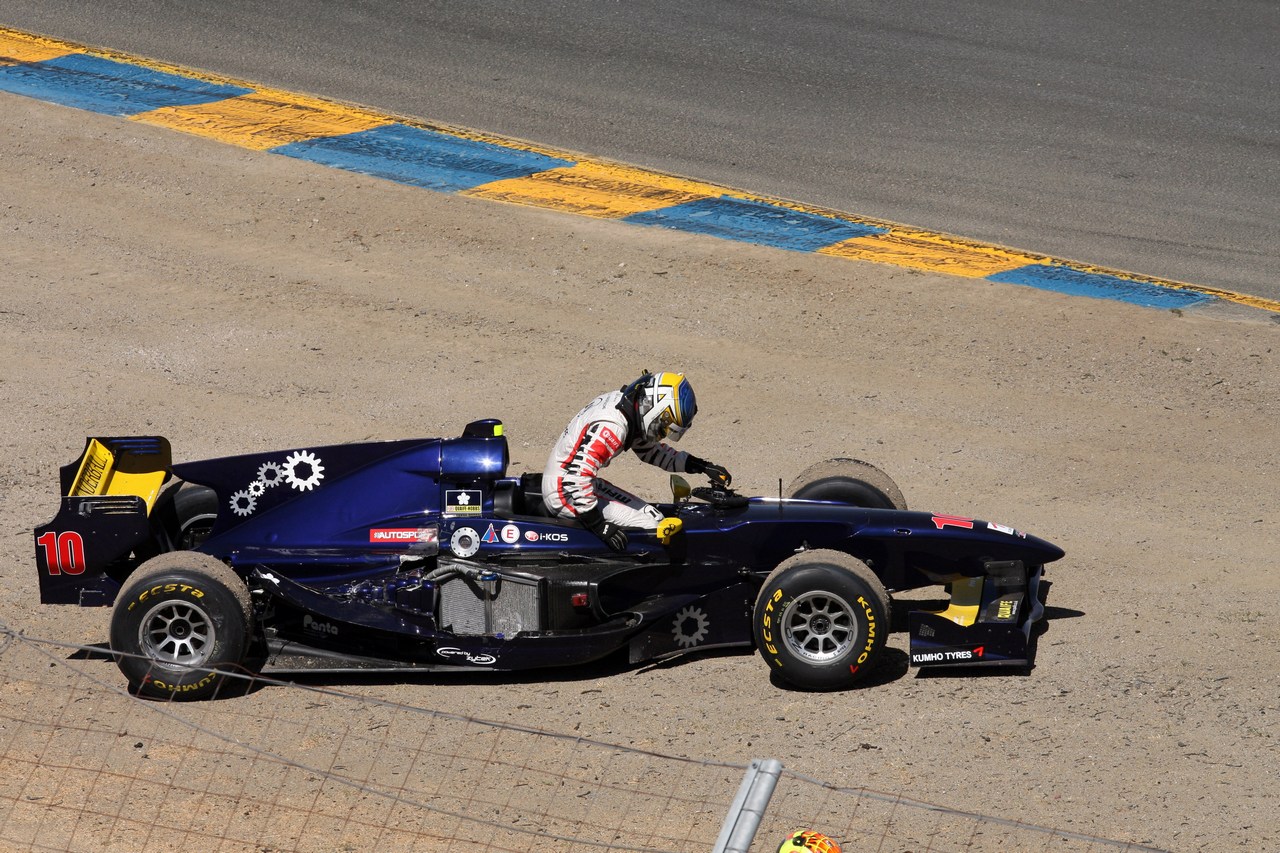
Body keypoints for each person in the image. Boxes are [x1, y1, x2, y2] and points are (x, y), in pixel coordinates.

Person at [542, 371, 730, 551]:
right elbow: (577, 475)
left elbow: (653, 453)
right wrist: (598, 525)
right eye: (664, 427)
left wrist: (701, 466)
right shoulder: (614, 426)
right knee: (649, 527)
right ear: (657, 408)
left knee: (653, 516)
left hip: (577, 484)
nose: (662, 434)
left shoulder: (629, 406)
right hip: (565, 492)